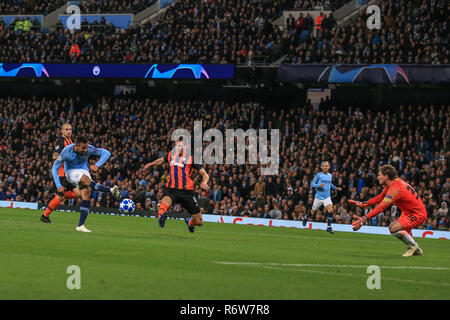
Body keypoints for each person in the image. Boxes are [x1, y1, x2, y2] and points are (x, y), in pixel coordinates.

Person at [349, 164, 427, 257]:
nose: (378, 177)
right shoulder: (393, 182)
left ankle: (413, 247)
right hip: (407, 212)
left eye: (379, 175)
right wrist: (363, 204)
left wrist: (364, 218)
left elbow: (381, 207)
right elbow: (380, 197)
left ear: (386, 177)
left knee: (393, 228)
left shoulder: (395, 189)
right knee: (398, 230)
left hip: (417, 214)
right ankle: (415, 249)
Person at [51, 136, 120, 232]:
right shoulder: (66, 152)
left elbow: (106, 153)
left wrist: (97, 165)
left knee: (86, 193)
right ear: (76, 146)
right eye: (83, 148)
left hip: (84, 170)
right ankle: (110, 190)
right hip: (70, 172)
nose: (86, 150)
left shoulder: (89, 149)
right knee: (85, 179)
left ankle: (80, 225)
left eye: (86, 147)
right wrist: (58, 186)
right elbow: (54, 168)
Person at [143, 140, 209, 233]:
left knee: (199, 222)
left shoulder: (193, 157)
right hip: (172, 189)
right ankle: (161, 217)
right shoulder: (171, 154)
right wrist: (150, 164)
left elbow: (205, 174)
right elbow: (161, 160)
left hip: (187, 192)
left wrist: (204, 182)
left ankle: (190, 223)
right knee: (164, 202)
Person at [41, 123, 80, 223]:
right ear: (62, 131)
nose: (69, 131)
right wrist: (62, 159)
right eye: (66, 129)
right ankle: (45, 215)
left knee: (77, 193)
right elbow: (55, 156)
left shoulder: (70, 141)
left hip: (69, 174)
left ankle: (56, 194)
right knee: (64, 195)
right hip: (62, 174)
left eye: (70, 129)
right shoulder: (61, 141)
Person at [303, 161, 342, 234]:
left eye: (326, 166)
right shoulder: (318, 175)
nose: (325, 167)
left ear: (329, 167)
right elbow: (312, 184)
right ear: (321, 167)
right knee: (313, 212)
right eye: (324, 166)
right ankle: (306, 217)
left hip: (327, 197)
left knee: (330, 210)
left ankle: (329, 227)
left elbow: (329, 184)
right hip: (318, 197)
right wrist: (319, 185)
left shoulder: (330, 175)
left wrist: (336, 188)